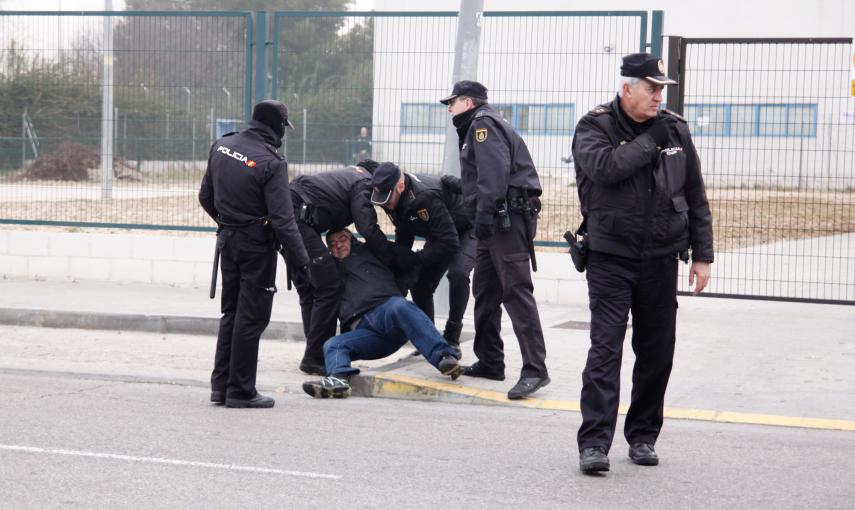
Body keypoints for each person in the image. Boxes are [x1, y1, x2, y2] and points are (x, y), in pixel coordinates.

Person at [571, 53, 714, 473]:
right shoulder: (594, 126)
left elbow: (694, 193)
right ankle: (594, 443)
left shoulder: (675, 129)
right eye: (651, 88)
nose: (658, 96)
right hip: (610, 258)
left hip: (660, 258)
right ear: (627, 88)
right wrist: (651, 141)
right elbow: (606, 168)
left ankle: (643, 436)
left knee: (656, 352)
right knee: (605, 350)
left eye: (662, 90)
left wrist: (702, 254)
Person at [440, 80, 550, 400]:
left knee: (516, 291)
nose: (449, 108)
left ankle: (535, 369)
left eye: (453, 102)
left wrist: (485, 216)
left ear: (468, 102)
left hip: (505, 220)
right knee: (485, 291)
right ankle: (490, 361)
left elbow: (494, 175)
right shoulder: (477, 125)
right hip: (491, 221)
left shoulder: (483, 124)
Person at [199, 100, 309, 409]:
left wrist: (229, 223)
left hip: (227, 241)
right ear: (277, 127)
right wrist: (303, 262)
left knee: (231, 313)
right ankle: (241, 390)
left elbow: (205, 197)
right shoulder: (271, 162)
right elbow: (284, 221)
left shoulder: (221, 145)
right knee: (251, 318)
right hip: (256, 247)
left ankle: (220, 387)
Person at [302, 229, 462, 398]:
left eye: (342, 240)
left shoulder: (371, 251)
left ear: (353, 240)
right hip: (363, 331)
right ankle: (338, 380)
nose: (339, 246)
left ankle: (445, 357)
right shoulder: (330, 270)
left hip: (386, 311)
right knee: (333, 344)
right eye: (333, 244)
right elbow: (314, 295)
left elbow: (411, 262)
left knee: (400, 306)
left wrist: (399, 289)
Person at [289, 159, 394, 376]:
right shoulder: (363, 182)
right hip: (296, 218)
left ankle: (316, 353)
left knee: (311, 289)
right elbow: (366, 226)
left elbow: (330, 209)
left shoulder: (345, 177)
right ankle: (316, 356)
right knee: (329, 286)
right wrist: (389, 257)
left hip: (285, 215)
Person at [370, 162, 476, 356]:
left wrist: (416, 259)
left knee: (458, 273)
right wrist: (400, 261)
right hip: (442, 232)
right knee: (419, 284)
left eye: (387, 197)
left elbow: (450, 243)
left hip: (467, 227)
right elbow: (404, 229)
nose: (384, 204)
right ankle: (429, 338)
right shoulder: (390, 198)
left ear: (400, 186)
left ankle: (452, 338)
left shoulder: (423, 197)